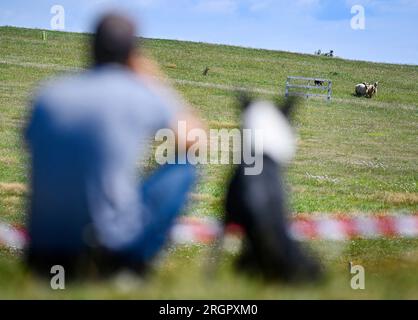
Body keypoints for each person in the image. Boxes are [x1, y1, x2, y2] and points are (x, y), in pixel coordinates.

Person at [25, 13, 201, 279]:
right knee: (183, 166)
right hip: (108, 245)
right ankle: (130, 268)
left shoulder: (49, 93)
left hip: (42, 250)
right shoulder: (138, 94)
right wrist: (150, 77)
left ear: (91, 47)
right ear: (132, 53)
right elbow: (195, 136)